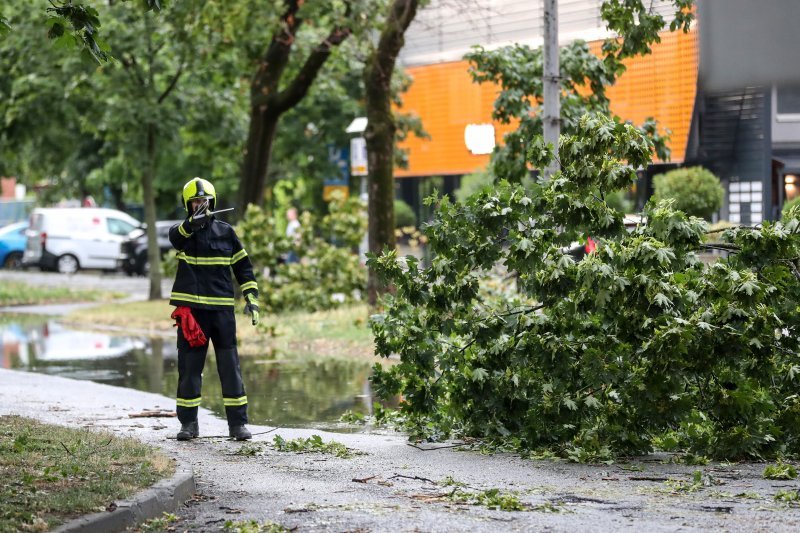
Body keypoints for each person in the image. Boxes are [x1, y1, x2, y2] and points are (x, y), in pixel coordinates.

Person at [168, 177, 260, 441]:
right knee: (189, 369)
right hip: (192, 314)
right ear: (188, 205)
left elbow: (244, 268)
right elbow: (175, 236)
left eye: (204, 202)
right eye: (195, 202)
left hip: (222, 312)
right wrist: (190, 225)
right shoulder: (183, 233)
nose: (200, 205)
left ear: (212, 203)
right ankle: (188, 425)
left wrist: (251, 297)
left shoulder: (226, 233)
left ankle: (238, 425)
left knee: (230, 368)